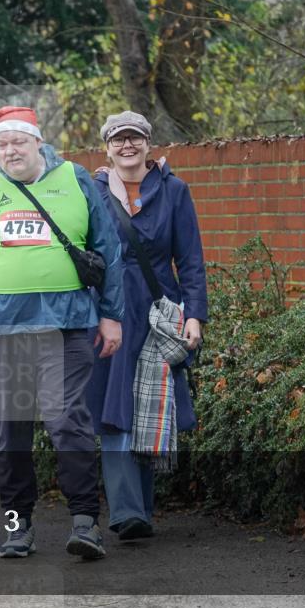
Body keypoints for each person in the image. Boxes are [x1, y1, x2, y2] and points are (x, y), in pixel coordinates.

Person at [0, 105, 125, 560]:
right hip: (2, 331)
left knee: (67, 424)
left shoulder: (77, 180)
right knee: (11, 432)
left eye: (17, 142)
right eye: (1, 145)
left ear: (37, 141)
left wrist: (112, 314)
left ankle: (85, 523)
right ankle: (18, 526)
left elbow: (108, 249)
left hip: (67, 326)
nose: (9, 152)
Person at [85, 111, 207, 541]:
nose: (127, 146)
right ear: (107, 147)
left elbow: (190, 260)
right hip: (110, 309)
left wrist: (194, 315)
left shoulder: (174, 191)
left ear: (148, 144)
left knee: (151, 406)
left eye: (135, 137)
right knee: (116, 408)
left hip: (159, 310)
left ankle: (142, 509)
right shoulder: (92, 192)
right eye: (118, 140)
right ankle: (126, 511)